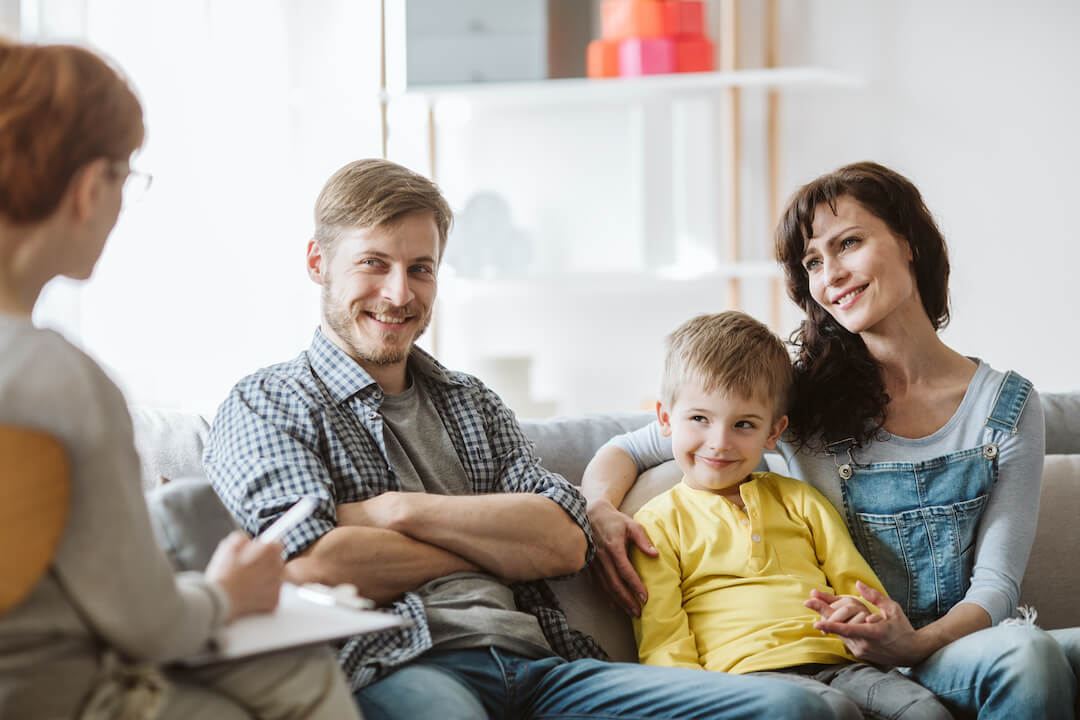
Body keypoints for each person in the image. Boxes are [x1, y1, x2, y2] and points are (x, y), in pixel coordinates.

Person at [203, 157, 847, 720]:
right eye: (373, 263)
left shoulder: (472, 402)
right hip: (403, 665)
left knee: (791, 708)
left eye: (420, 268)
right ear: (319, 262)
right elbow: (308, 567)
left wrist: (398, 512)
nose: (399, 293)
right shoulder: (267, 405)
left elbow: (564, 542)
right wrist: (499, 548)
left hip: (544, 666)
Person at [582, 161, 1080, 719]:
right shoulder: (797, 398)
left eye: (848, 243)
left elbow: (995, 586)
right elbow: (631, 446)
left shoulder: (1005, 407)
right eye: (813, 262)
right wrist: (597, 509)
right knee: (1036, 657)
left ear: (908, 241)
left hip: (948, 650)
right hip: (837, 659)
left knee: (1033, 653)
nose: (831, 274)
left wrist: (912, 643)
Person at [0, 39, 360, 720]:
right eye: (126, 179)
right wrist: (228, 591)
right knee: (303, 677)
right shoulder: (62, 382)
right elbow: (149, 625)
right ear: (86, 189)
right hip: (58, 694)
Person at [630, 311, 950, 719]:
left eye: (743, 424)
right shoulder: (656, 523)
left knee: (924, 709)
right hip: (745, 680)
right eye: (699, 419)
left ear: (773, 433)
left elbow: (857, 585)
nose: (719, 442)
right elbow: (663, 640)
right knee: (830, 711)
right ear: (664, 418)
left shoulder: (800, 500)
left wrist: (859, 614)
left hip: (841, 665)